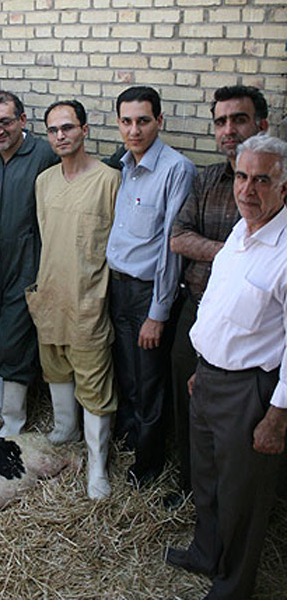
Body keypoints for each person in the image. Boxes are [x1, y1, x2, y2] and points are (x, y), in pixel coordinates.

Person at [165, 134, 287, 600]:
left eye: (262, 180)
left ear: (284, 188)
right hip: (210, 378)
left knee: (242, 496)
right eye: (241, 176)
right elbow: (220, 306)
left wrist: (277, 416)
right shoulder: (240, 231)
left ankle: (233, 585)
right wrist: (203, 365)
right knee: (208, 478)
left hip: (250, 391)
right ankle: (205, 551)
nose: (247, 190)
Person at [168, 85, 268, 506]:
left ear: (262, 125)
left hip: (252, 327)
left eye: (239, 119)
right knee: (186, 404)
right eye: (221, 121)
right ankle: (189, 488)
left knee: (238, 424)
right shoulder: (207, 178)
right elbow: (178, 237)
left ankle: (232, 506)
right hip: (196, 310)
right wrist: (230, 254)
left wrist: (218, 253)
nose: (229, 129)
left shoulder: (275, 183)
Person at [26, 100, 121, 498]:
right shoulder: (44, 181)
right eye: (53, 130)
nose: (60, 136)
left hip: (88, 299)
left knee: (95, 384)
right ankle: (65, 430)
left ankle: (97, 466)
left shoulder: (109, 180)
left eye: (67, 127)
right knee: (56, 368)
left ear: (85, 129)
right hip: (51, 294)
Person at [106, 86, 197, 487]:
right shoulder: (125, 164)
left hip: (149, 294)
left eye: (143, 121)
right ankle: (131, 441)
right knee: (128, 374)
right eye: (126, 121)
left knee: (150, 382)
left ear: (159, 121)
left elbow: (170, 248)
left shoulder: (176, 169)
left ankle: (148, 464)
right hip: (119, 288)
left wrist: (158, 314)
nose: (134, 130)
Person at [0, 90, 58, 436]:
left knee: (14, 340)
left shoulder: (43, 154)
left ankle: (13, 421)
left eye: (5, 122)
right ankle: (1, 411)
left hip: (25, 260)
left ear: (22, 120)